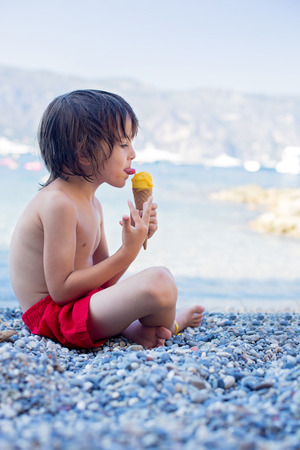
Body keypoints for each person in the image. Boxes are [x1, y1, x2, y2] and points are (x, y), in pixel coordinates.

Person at [9, 89, 204, 350]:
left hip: (78, 306)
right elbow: (61, 291)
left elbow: (104, 284)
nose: (132, 153)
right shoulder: (59, 204)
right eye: (123, 144)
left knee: (163, 280)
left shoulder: (92, 204)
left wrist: (138, 235)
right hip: (54, 318)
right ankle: (165, 327)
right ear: (84, 154)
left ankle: (143, 332)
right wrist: (128, 252)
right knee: (160, 282)